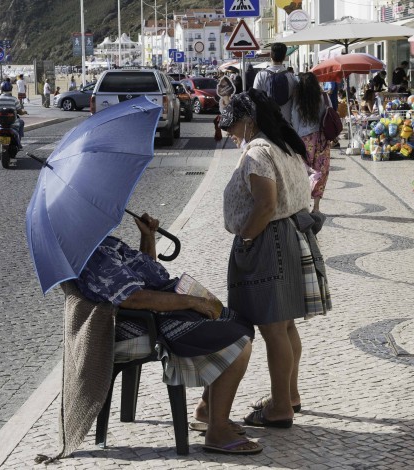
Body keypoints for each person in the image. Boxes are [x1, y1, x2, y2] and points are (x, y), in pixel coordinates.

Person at [75, 213, 262, 455]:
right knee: (237, 341)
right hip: (144, 324)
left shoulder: (107, 243)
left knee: (237, 322)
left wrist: (148, 237)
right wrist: (190, 302)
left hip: (158, 313)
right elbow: (134, 298)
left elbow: (146, 277)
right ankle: (217, 432)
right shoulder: (93, 255)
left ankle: (207, 410)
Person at [219, 89, 331, 429]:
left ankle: (280, 406)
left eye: (235, 125)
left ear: (249, 120)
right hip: (293, 235)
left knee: (272, 328)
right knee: (284, 324)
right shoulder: (285, 145)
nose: (233, 133)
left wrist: (248, 240)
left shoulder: (258, 152)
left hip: (271, 240)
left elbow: (265, 204)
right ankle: (290, 395)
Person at [291, 73, 332, 213]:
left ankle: (303, 204)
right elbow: (330, 113)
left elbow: (294, 122)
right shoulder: (323, 97)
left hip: (303, 140)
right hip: (322, 139)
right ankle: (316, 207)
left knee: (303, 172)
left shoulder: (297, 101)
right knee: (321, 171)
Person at [252, 42, 299, 125]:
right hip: (286, 123)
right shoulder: (292, 77)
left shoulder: (260, 75)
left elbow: (255, 100)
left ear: (270, 55)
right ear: (284, 56)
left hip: (267, 122)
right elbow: (296, 102)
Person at [0, 81, 26, 148]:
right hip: (13, 123)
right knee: (21, 122)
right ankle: (19, 140)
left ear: (1, 89)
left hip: (0, 123)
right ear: (11, 89)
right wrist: (24, 112)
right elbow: (20, 112)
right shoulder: (14, 99)